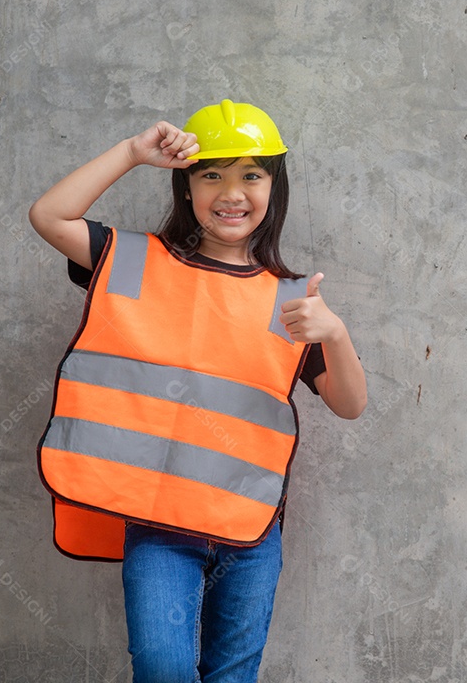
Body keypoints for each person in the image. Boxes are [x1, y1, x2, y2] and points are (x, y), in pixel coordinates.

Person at [29, 99, 367, 682]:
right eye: (211, 174)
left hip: (250, 531)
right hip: (160, 525)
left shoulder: (287, 300)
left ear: (273, 188)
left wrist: (334, 333)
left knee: (232, 675)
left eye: (250, 175)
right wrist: (134, 154)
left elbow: (349, 403)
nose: (230, 192)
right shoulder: (132, 260)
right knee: (163, 668)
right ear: (186, 187)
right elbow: (49, 215)